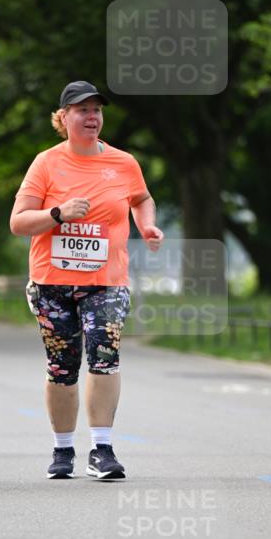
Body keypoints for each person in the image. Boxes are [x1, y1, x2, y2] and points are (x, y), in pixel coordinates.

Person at [10, 80, 164, 481]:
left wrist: (147, 226)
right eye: (82, 110)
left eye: (97, 110)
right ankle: (63, 452)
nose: (92, 117)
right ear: (63, 118)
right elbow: (18, 222)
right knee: (62, 366)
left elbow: (141, 198)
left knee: (104, 356)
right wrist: (58, 214)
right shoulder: (45, 163)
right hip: (52, 282)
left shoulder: (123, 162)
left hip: (106, 280)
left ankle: (103, 448)